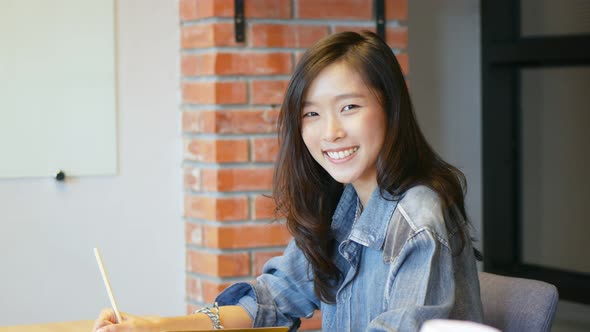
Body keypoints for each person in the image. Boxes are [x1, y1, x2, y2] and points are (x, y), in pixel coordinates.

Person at [93, 31, 483, 332]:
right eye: (311, 114)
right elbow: (274, 297)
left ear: (390, 108)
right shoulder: (343, 207)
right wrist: (157, 325)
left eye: (349, 107)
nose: (330, 132)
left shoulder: (417, 216)